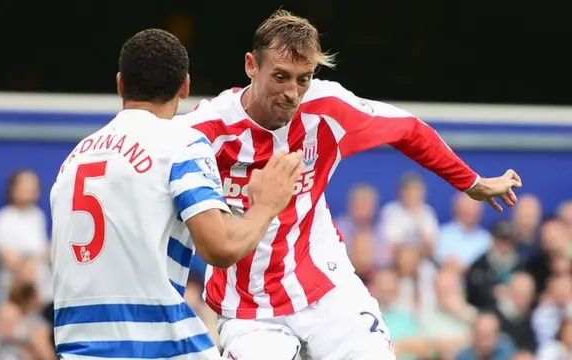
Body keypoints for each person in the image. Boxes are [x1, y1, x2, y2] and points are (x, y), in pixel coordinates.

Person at [177, 10, 523, 360]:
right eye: (280, 77)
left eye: (303, 79)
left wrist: (472, 182)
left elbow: (408, 129)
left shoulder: (327, 108)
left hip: (327, 288)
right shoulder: (206, 130)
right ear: (251, 65)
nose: (292, 93)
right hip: (248, 308)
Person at [49, 29, 303, 360]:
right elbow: (221, 247)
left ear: (120, 84)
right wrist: (266, 207)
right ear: (185, 86)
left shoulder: (74, 159)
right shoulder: (179, 143)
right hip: (154, 349)